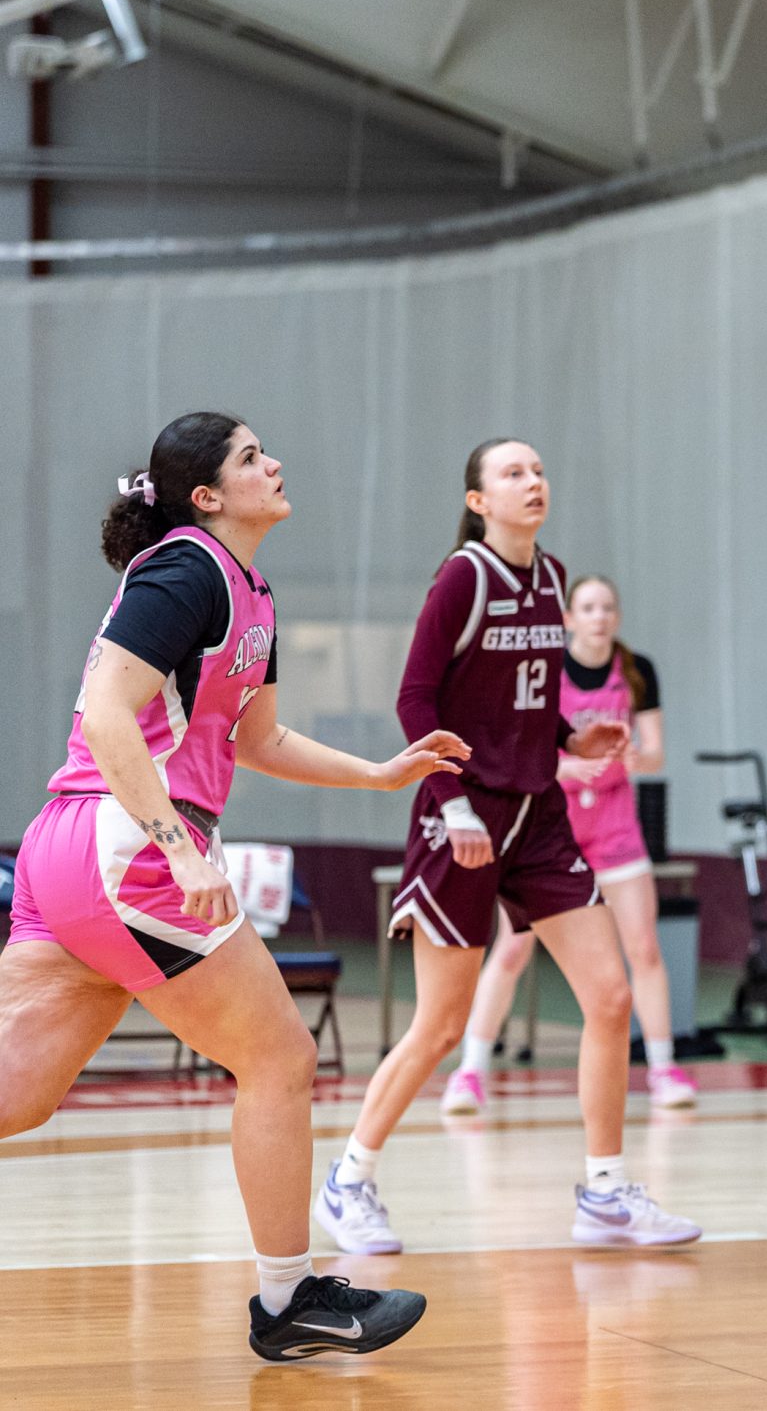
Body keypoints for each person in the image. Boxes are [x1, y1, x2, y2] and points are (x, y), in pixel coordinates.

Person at [0, 413, 453, 1359]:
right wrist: (181, 846)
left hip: (75, 852)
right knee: (281, 1059)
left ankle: (291, 1303)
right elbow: (107, 713)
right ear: (207, 495)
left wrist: (377, 773)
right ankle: (288, 1304)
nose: (275, 461)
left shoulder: (249, 591)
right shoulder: (186, 566)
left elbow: (260, 740)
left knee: (20, 1094)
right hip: (129, 849)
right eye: (252, 456)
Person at [316, 439, 700, 1255]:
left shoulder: (552, 577)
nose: (534, 482)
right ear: (479, 499)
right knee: (440, 1026)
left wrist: (571, 733)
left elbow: (513, 702)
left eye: (539, 470)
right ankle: (349, 1178)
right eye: (514, 473)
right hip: (461, 816)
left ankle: (603, 1194)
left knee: (609, 995)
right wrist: (451, 803)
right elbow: (416, 699)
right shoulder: (465, 576)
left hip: (538, 813)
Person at [443, 574, 696, 1115]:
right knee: (512, 949)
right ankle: (470, 1073)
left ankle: (663, 1067)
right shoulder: (545, 669)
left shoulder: (637, 671)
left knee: (644, 949)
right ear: (570, 618)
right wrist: (570, 763)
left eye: (608, 606)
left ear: (617, 616)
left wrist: (628, 757)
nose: (599, 616)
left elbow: (655, 753)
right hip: (551, 831)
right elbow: (522, 749)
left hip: (616, 830)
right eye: (588, 606)